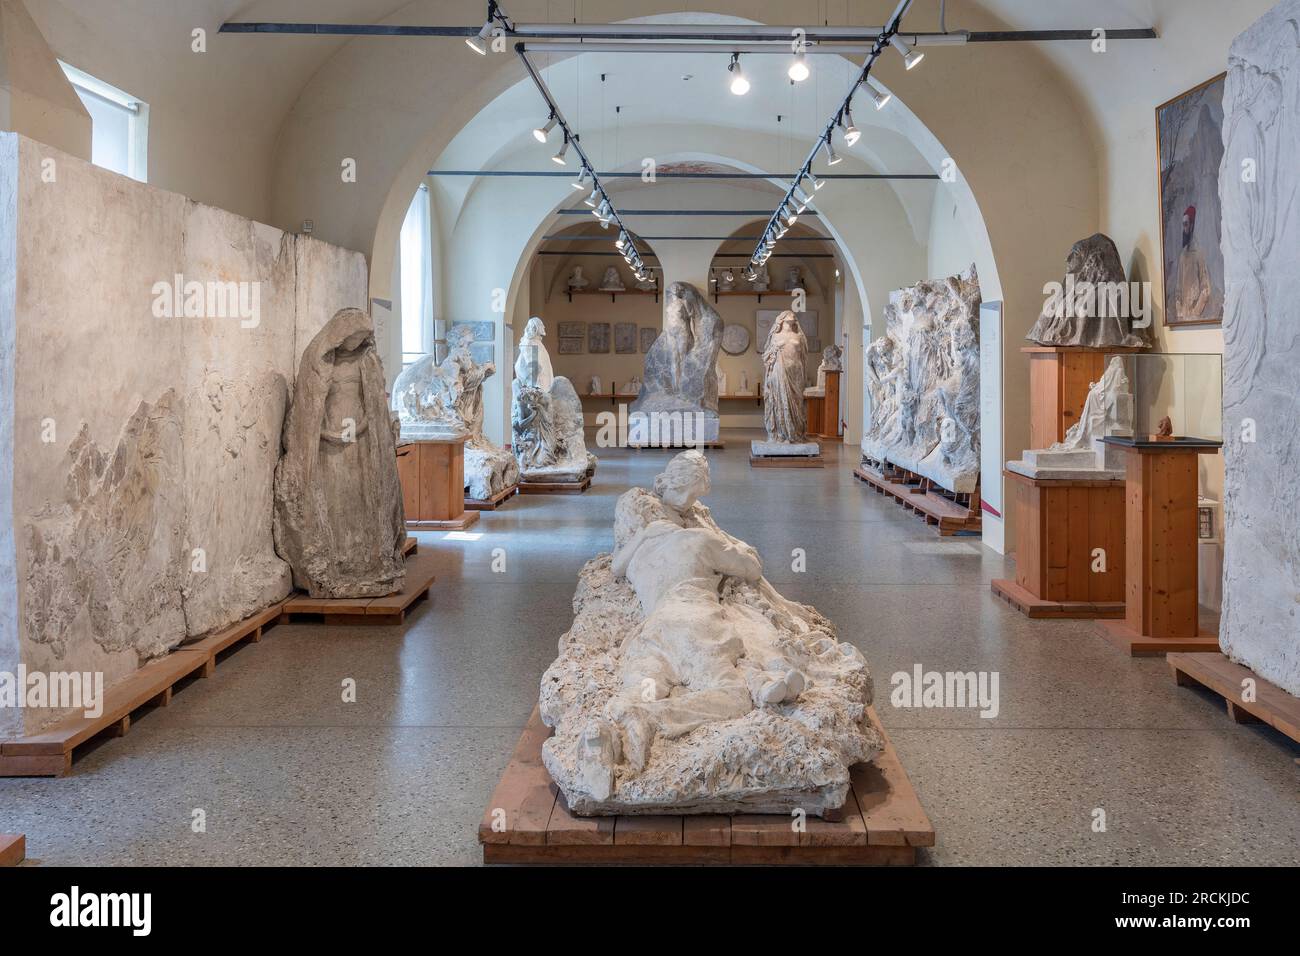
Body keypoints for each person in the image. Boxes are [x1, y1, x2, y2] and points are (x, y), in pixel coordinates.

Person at [760, 311, 809, 443]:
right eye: (787, 314)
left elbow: (804, 357)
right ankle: (780, 434)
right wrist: (775, 349)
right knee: (779, 400)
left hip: (796, 371)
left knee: (797, 401)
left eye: (793, 314)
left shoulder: (799, 336)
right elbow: (766, 357)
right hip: (779, 370)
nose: (791, 315)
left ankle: (796, 433)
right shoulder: (775, 336)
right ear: (781, 320)